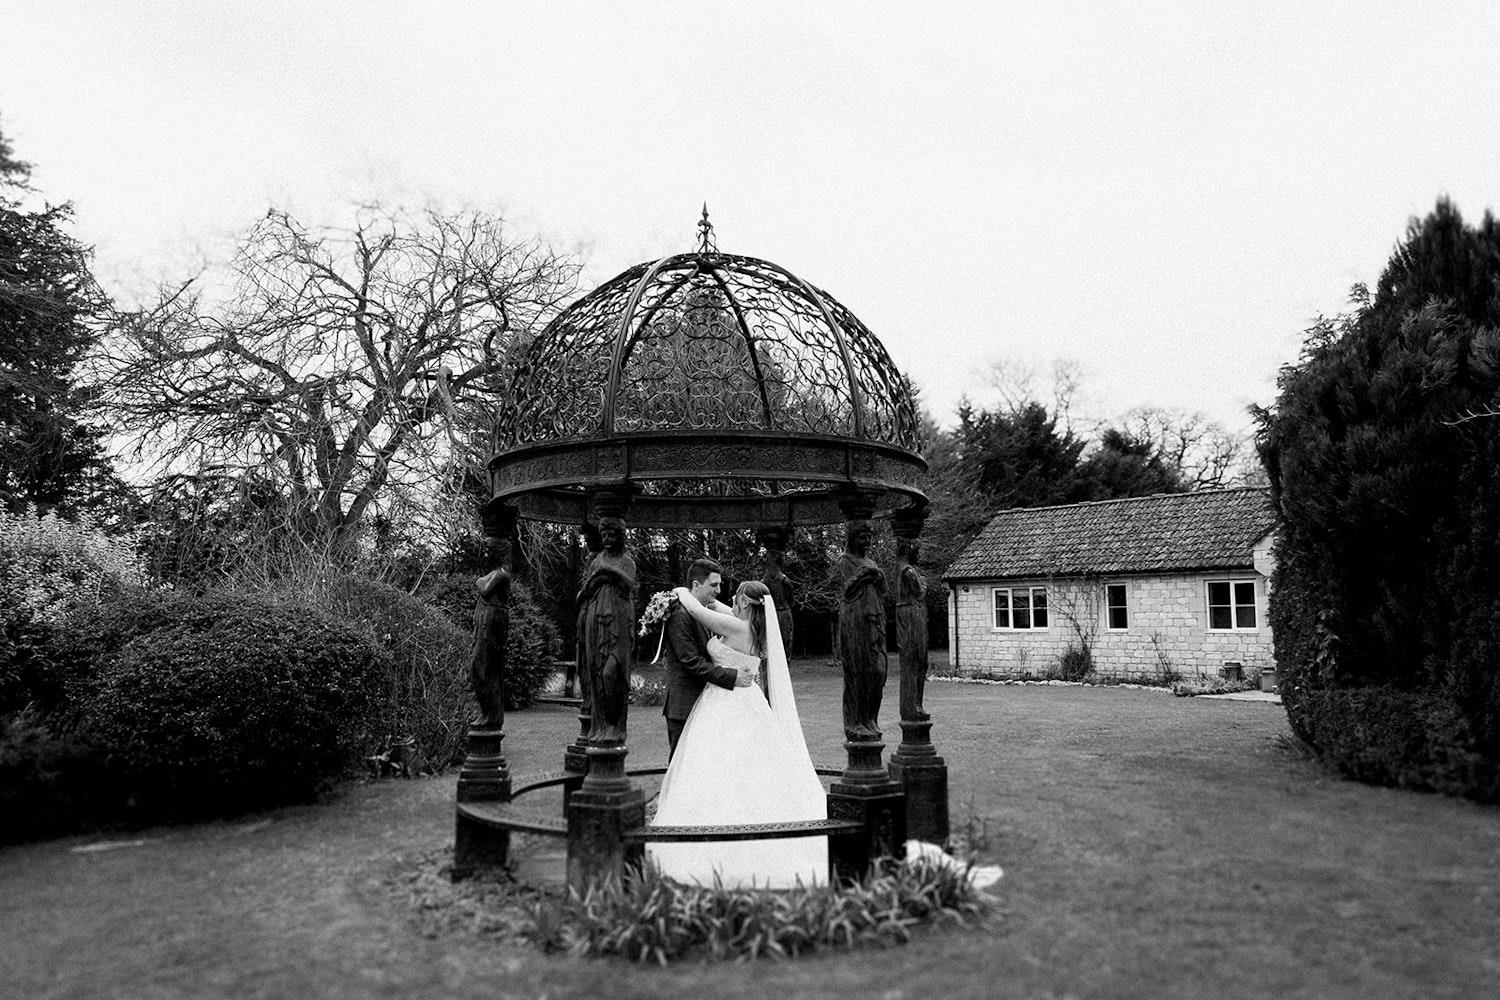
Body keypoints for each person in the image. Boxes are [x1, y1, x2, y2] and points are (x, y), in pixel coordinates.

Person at [647, 578, 828, 889]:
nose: (729, 597)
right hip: (745, 698)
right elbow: (717, 606)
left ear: (744, 602)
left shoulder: (737, 629)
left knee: (721, 765)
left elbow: (698, 611)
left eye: (737, 595)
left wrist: (679, 592)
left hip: (727, 700)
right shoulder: (750, 627)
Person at [660, 558, 754, 759]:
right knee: (681, 765)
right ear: (696, 585)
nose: (718, 590)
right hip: (684, 705)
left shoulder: (704, 611)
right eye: (714, 585)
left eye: (719, 584)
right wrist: (732, 676)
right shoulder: (680, 614)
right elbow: (691, 662)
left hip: (707, 704)